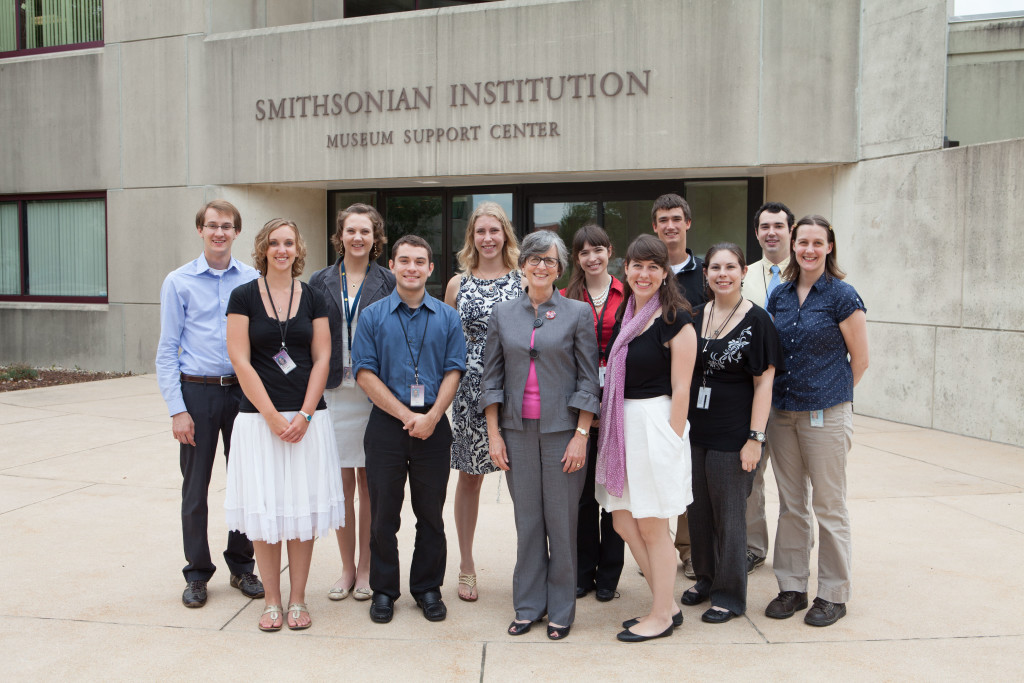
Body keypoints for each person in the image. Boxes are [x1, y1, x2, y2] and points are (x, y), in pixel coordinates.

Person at [224, 218, 345, 632]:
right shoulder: (242, 296)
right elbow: (240, 359)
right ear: (263, 248)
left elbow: (323, 357)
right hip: (259, 422)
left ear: (298, 249)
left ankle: (298, 599)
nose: (281, 249)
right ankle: (272, 601)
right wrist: (273, 417)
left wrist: (305, 414)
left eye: (288, 243)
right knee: (266, 511)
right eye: (274, 243)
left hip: (308, 421)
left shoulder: (313, 296)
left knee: (301, 511)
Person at [480, 230, 599, 641]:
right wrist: (494, 435)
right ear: (522, 265)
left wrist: (581, 434)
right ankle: (528, 605)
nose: (541, 266)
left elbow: (588, 379)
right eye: (534, 259)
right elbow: (491, 379)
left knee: (562, 523)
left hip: (563, 432)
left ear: (560, 268)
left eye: (549, 260)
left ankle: (561, 610)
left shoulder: (577, 313)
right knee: (528, 521)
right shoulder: (503, 314)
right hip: (516, 431)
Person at [351, 235, 466, 624]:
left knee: (430, 514)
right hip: (386, 426)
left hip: (434, 425)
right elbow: (364, 372)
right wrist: (405, 415)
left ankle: (427, 588)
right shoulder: (372, 316)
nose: (412, 268)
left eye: (420, 261)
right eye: (404, 261)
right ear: (393, 266)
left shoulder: (447, 317)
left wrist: (432, 416)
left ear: (430, 269)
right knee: (383, 515)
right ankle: (384, 590)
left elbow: (454, 370)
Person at [156, 199, 264, 609]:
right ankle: (198, 573)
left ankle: (242, 565)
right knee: (195, 488)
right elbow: (167, 350)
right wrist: (177, 409)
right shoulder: (178, 282)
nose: (220, 232)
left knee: (246, 482)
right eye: (212, 225)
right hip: (197, 393)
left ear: (237, 232)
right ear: (200, 229)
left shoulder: (252, 280)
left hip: (243, 392)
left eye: (227, 226)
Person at [764, 215, 868, 628]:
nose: (809, 249)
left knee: (829, 505)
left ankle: (833, 594)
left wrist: (831, 394)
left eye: (817, 243)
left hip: (826, 413)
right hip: (782, 413)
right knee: (791, 505)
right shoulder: (780, 294)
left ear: (829, 247)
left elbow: (860, 360)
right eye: (802, 242)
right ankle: (792, 587)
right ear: (793, 245)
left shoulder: (842, 295)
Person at [594, 234, 696, 643]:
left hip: (655, 426)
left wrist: (672, 438)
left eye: (654, 266)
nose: (644, 273)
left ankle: (660, 615)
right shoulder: (628, 314)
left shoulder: (676, 319)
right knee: (623, 520)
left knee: (653, 526)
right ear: (626, 269)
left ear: (665, 273)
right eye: (638, 265)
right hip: (623, 427)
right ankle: (666, 603)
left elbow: (683, 388)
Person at [684, 243, 782, 624]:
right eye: (715, 267)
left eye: (730, 267)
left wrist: (755, 439)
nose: (722, 274)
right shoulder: (695, 316)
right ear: (705, 273)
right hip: (695, 433)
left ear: (743, 272)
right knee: (698, 511)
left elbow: (764, 384)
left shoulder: (758, 321)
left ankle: (729, 595)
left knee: (729, 516)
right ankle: (706, 579)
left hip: (734, 434)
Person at [309, 204, 395, 603]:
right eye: (351, 231)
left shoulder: (389, 280)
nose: (357, 238)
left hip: (374, 393)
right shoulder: (319, 280)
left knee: (370, 485)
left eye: (365, 231)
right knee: (342, 485)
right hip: (333, 394)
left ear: (376, 238)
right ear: (340, 236)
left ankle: (366, 568)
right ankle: (346, 568)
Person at [443, 202, 522, 603]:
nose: (488, 238)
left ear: (505, 234)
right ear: (471, 237)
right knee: (470, 477)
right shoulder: (457, 284)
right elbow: (447, 341)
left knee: (524, 481)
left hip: (518, 388)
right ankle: (467, 564)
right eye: (480, 231)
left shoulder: (525, 279)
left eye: (494, 230)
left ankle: (530, 566)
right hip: (470, 390)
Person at [561, 224, 626, 602]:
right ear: (577, 258)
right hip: (578, 406)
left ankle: (609, 577)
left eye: (598, 249)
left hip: (620, 405)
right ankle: (583, 572)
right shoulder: (565, 296)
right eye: (584, 252)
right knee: (583, 497)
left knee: (613, 494)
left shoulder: (628, 293)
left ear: (609, 251)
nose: (592, 257)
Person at [651, 193, 706, 580]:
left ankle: (687, 549)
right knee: (655, 468)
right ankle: (658, 548)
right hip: (654, 388)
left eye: (676, 218)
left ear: (687, 223)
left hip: (697, 385)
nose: (670, 225)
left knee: (687, 470)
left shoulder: (705, 273)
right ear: (654, 227)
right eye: (663, 220)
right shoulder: (647, 272)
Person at [740, 202, 795, 574]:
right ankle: (753, 547)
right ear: (757, 232)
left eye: (778, 225)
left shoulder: (806, 271)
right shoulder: (744, 275)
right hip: (752, 393)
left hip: (793, 396)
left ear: (790, 230)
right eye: (764, 226)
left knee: (792, 484)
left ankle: (792, 555)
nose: (771, 232)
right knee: (751, 477)